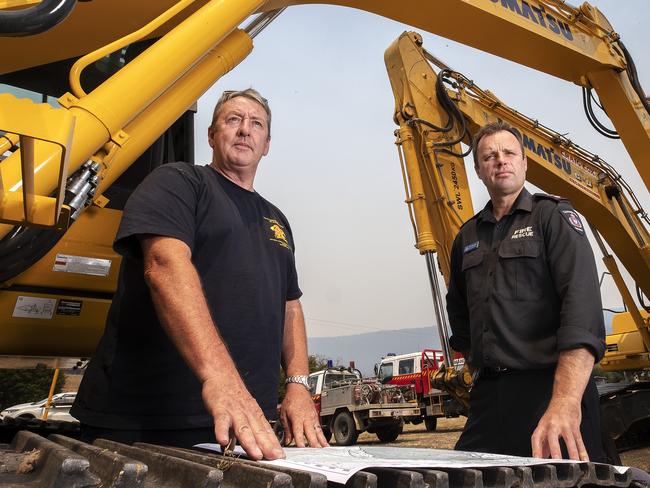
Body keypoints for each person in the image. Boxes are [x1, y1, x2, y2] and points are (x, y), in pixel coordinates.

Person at [71, 88, 328, 460]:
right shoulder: (178, 182)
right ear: (211, 135)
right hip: (147, 424)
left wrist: (298, 385)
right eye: (233, 120)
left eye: (256, 124)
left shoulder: (277, 220)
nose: (244, 130)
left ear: (266, 144)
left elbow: (291, 306)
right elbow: (164, 265)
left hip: (241, 430)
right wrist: (220, 377)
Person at [446, 121, 607, 462]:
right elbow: (460, 314)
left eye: (509, 153)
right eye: (489, 156)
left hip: (550, 388)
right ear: (477, 170)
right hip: (490, 397)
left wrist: (565, 402)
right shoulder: (467, 237)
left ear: (524, 163)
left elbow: (583, 313)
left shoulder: (553, 217)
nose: (500, 161)